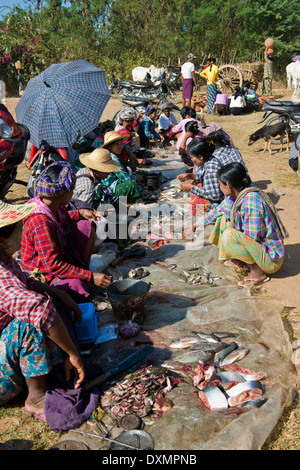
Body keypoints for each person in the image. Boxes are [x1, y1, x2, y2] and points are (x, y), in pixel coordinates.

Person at [0, 199, 86, 420]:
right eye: (19, 228)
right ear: (2, 240)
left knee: (48, 303)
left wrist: (60, 293)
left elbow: (27, 281)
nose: (23, 232)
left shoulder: (6, 261)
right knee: (28, 326)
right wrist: (72, 353)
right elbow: (40, 310)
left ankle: (50, 368)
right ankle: (36, 399)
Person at [184, 162, 287, 287]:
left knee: (229, 235)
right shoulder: (233, 197)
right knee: (222, 219)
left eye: (220, 184)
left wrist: (234, 240)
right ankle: (240, 260)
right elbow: (216, 212)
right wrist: (195, 226)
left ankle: (257, 272)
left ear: (227, 185)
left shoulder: (251, 203)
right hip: (256, 248)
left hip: (270, 260)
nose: (220, 187)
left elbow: (253, 238)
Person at [21, 161, 112, 301]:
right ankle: (81, 281)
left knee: (86, 226)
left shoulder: (55, 204)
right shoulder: (40, 223)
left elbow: (63, 219)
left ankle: (81, 272)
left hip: (59, 257)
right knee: (77, 286)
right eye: (72, 189)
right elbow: (53, 266)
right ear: (64, 193)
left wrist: (80, 213)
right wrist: (91, 276)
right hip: (43, 275)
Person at [178, 137, 224, 215]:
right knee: (195, 192)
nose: (191, 160)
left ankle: (205, 219)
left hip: (216, 205)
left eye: (192, 157)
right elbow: (203, 175)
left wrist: (191, 188)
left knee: (195, 206)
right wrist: (191, 176)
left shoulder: (211, 168)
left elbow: (215, 196)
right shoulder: (208, 160)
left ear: (200, 156)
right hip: (214, 197)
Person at [100, 131, 143, 202]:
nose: (120, 146)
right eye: (116, 144)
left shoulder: (111, 155)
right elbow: (126, 178)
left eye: (120, 143)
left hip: (112, 184)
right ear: (109, 147)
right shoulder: (112, 158)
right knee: (132, 184)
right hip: (110, 189)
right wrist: (137, 178)